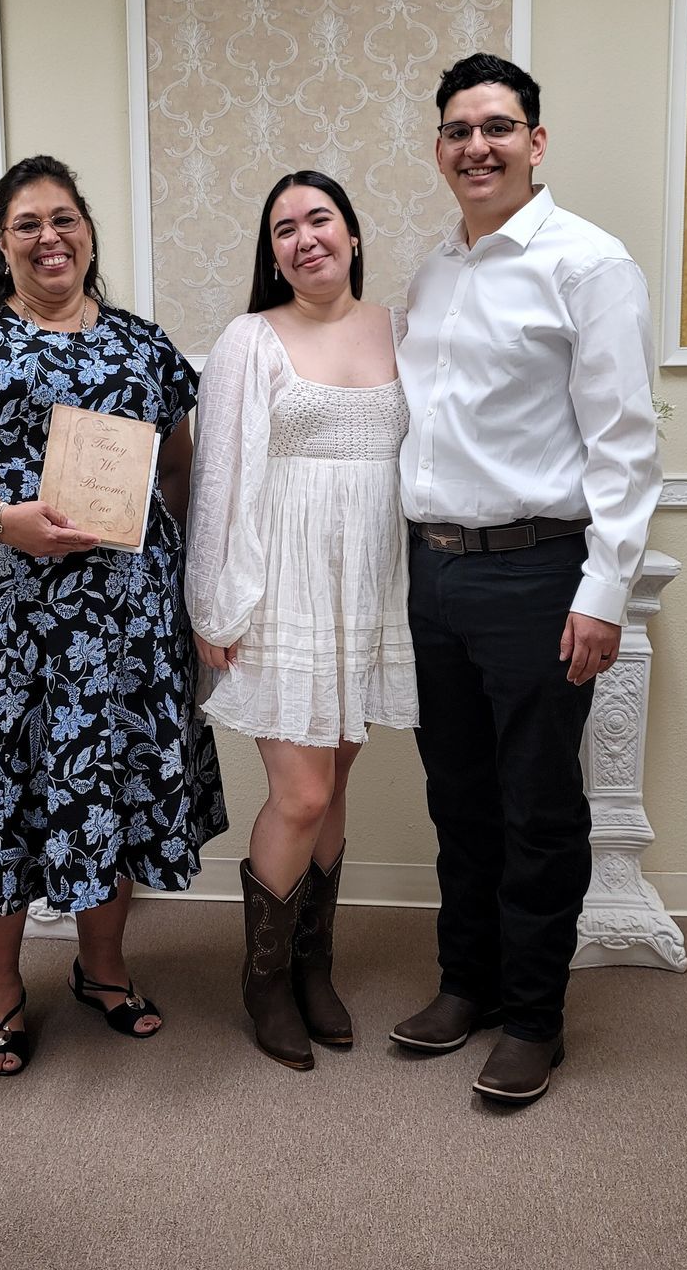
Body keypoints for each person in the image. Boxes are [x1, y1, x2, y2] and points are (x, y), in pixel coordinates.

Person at [0, 154, 227, 1077]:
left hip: (118, 627)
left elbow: (183, 472)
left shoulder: (147, 349)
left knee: (102, 795)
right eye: (27, 223)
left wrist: (190, 589)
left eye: (64, 218)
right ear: (3, 242)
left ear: (88, 233)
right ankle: (0, 994)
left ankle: (103, 972)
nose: (49, 237)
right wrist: (7, 522)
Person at [391, 55, 661, 1106]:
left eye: (498, 127)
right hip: (437, 575)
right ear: (441, 150)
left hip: (540, 574)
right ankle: (469, 987)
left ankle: (536, 1018)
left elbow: (626, 445)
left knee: (539, 808)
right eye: (458, 131)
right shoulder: (432, 272)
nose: (477, 146)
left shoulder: (590, 266)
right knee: (456, 801)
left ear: (536, 143)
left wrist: (603, 592)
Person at [188, 170, 417, 1071]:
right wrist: (215, 603)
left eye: (319, 219)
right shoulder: (251, 339)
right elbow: (219, 480)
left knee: (339, 779)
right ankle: (265, 978)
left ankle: (316, 967)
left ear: (354, 235)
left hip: (368, 589)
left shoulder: (403, 329)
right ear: (272, 252)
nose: (303, 237)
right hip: (278, 586)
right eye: (284, 228)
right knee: (302, 792)